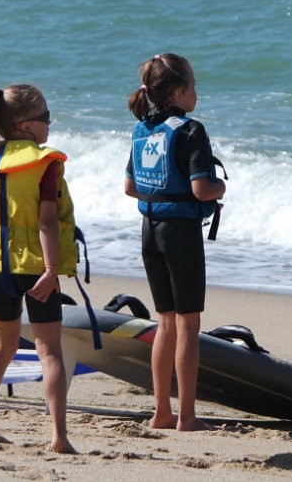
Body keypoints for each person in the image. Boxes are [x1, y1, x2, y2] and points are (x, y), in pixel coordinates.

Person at [0, 84, 79, 454]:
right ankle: (59, 437)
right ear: (28, 126)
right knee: (50, 352)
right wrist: (50, 269)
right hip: (36, 270)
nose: (50, 124)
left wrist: (1, 254)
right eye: (46, 118)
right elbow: (47, 222)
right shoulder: (44, 163)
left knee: (4, 348)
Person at [124, 53, 225, 431]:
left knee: (164, 323)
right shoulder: (190, 130)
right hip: (180, 235)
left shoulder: (142, 130)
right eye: (195, 85)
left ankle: (160, 412)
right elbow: (201, 189)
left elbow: (131, 187)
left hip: (149, 232)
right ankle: (187, 416)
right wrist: (221, 186)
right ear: (180, 91)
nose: (197, 92)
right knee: (188, 326)